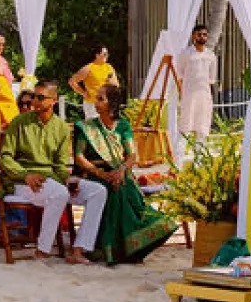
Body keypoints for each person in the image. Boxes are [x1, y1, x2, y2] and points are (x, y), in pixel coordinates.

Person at [1, 81, 107, 264]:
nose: (35, 101)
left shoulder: (61, 127)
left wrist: (68, 179)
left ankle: (78, 250)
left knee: (98, 191)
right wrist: (24, 175)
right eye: (34, 96)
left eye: (40, 97)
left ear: (53, 101)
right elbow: (4, 158)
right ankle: (42, 252)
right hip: (22, 182)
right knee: (59, 193)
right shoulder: (19, 122)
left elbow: (59, 164)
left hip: (53, 181)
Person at [73, 84, 175, 264]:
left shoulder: (123, 126)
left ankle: (128, 247)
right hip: (94, 173)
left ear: (112, 104)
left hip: (119, 173)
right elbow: (79, 157)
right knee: (113, 190)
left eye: (100, 98)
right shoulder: (87, 127)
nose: (95, 102)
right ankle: (109, 248)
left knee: (124, 188)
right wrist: (101, 173)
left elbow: (132, 155)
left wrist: (120, 171)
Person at [176, 26, 217, 140]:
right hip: (189, 96)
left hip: (204, 97)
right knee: (185, 127)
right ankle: (178, 157)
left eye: (205, 34)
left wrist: (208, 97)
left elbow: (211, 79)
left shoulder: (211, 56)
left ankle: (201, 157)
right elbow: (179, 76)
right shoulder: (185, 53)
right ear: (194, 36)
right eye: (200, 34)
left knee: (202, 128)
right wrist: (182, 94)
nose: (202, 37)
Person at [68, 46, 117, 119]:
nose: (107, 56)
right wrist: (83, 93)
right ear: (97, 55)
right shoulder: (88, 68)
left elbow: (116, 85)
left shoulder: (109, 67)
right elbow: (72, 81)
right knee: (93, 128)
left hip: (106, 104)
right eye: (104, 54)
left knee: (105, 129)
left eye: (107, 54)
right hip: (92, 105)